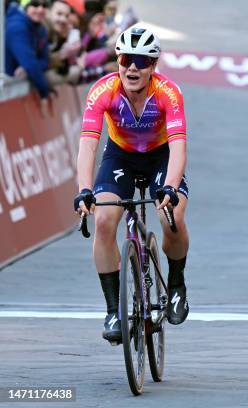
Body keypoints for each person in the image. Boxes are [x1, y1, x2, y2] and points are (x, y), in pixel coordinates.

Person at [74, 26, 190, 343]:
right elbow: (88, 145)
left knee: (174, 216)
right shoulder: (103, 91)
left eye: (141, 61)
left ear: (153, 66)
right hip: (120, 156)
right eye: (126, 59)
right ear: (118, 61)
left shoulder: (169, 93)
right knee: (103, 220)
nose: (132, 68)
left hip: (160, 156)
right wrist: (84, 189)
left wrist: (170, 186)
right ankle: (114, 310)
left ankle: (177, 284)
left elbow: (179, 146)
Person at [4, 0, 51, 113]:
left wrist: (30, 66)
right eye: (35, 4)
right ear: (24, 6)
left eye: (44, 5)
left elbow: (45, 61)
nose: (40, 9)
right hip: (9, 92)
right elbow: (31, 64)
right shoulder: (16, 27)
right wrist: (44, 92)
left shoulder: (41, 28)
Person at [45, 0, 82, 85]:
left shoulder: (57, 34)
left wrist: (63, 40)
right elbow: (39, 65)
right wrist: (62, 54)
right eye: (59, 14)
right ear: (48, 13)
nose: (63, 19)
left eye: (66, 16)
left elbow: (63, 70)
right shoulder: (39, 32)